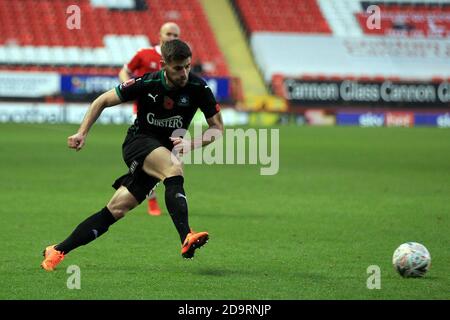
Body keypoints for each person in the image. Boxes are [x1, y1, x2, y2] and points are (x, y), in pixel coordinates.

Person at [41, 39, 224, 271]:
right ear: (163, 64)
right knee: (174, 168)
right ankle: (186, 236)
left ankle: (57, 250)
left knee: (116, 209)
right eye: (178, 68)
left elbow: (217, 129)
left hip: (161, 153)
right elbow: (102, 100)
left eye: (188, 66)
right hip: (138, 143)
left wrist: (193, 143)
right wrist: (82, 132)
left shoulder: (199, 88)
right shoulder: (146, 83)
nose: (184, 73)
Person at [118, 22, 181, 216]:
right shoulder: (144, 54)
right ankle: (151, 198)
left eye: (175, 35)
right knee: (149, 154)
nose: (172, 38)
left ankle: (166, 194)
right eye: (168, 34)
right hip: (144, 113)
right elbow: (124, 71)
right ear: (160, 35)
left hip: (169, 117)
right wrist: (129, 90)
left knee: (172, 157)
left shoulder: (180, 58)